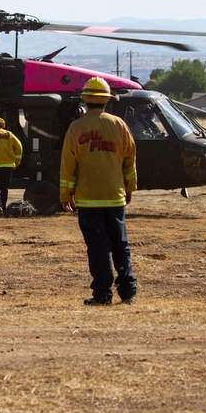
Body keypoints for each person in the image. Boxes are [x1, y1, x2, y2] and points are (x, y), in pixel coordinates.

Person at [59, 76, 138, 306]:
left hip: (88, 200)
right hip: (115, 198)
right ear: (106, 101)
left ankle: (102, 294)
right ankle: (128, 291)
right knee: (120, 244)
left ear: (85, 100)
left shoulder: (76, 128)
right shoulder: (119, 126)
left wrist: (66, 195)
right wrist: (129, 187)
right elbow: (129, 160)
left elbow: (68, 165)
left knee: (98, 248)